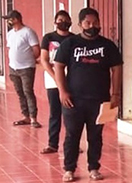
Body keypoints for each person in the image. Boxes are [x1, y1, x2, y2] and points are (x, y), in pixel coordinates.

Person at [54, 7, 122, 182]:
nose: (92, 26)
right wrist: (62, 91)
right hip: (73, 100)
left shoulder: (108, 45)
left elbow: (117, 68)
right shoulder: (69, 44)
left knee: (95, 136)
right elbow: (59, 66)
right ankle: (69, 169)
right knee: (72, 135)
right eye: (88, 23)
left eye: (95, 22)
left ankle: (94, 167)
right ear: (80, 24)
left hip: (99, 100)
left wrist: (115, 94)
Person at [39, 10, 74, 154]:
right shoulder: (48, 38)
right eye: (60, 20)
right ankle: (52, 144)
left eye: (66, 19)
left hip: (71, 80)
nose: (63, 22)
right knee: (55, 113)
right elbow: (44, 60)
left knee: (71, 114)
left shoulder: (74, 39)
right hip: (52, 81)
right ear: (55, 22)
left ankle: (72, 144)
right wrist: (55, 77)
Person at [5, 10, 41, 128]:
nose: (8, 22)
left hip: (26, 68)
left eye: (10, 19)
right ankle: (25, 116)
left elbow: (36, 49)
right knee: (20, 92)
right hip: (13, 68)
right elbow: (10, 48)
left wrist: (30, 60)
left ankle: (33, 118)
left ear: (16, 19)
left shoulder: (28, 32)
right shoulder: (10, 34)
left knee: (28, 91)